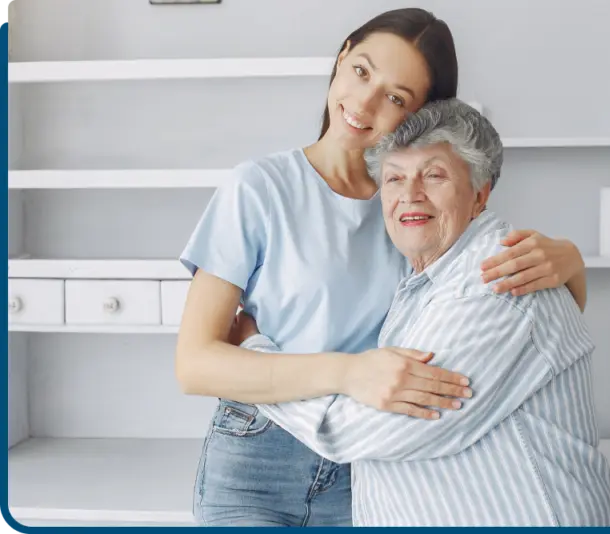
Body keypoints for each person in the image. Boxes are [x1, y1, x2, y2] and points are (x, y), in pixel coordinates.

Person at [175, 8, 589, 527]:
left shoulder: (413, 206)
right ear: (343, 55)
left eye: (396, 98)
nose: (364, 103)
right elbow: (195, 365)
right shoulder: (258, 188)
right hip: (257, 457)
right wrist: (349, 372)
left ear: (421, 117)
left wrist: (571, 262)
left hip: (374, 464)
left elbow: (510, 315)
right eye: (362, 71)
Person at [235, 98, 610, 527]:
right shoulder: (425, 280)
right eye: (395, 178)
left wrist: (254, 357)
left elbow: (356, 428)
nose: (409, 195)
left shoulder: (495, 284)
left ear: (480, 193)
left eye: (434, 175)